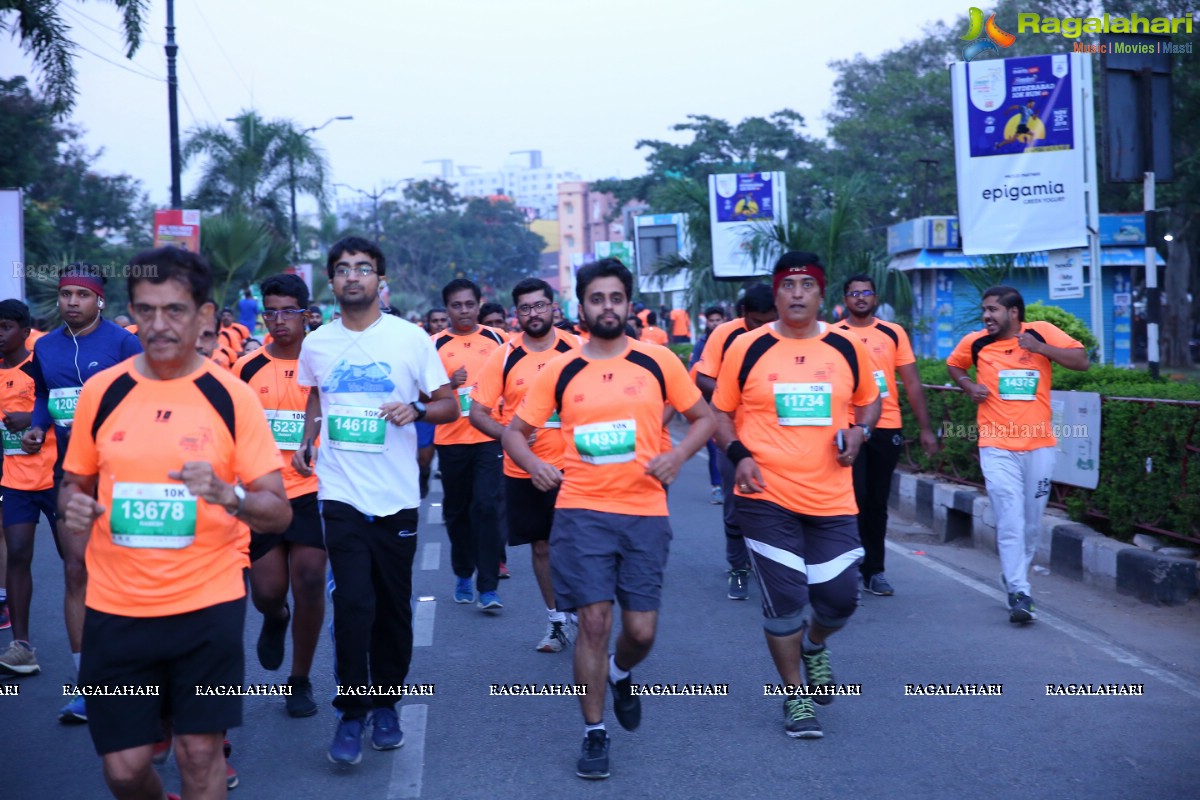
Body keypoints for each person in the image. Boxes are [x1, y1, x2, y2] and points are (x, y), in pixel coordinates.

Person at [59, 245, 292, 800]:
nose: (158, 325)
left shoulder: (231, 397)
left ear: (205, 316)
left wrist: (228, 495)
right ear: (131, 313)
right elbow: (75, 482)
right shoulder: (103, 391)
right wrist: (75, 505)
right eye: (145, 310)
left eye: (175, 310)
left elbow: (278, 510)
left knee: (200, 752)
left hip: (206, 606)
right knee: (123, 769)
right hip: (116, 608)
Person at [502, 258, 714, 780]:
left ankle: (621, 673)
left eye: (616, 298)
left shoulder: (658, 361)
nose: (607, 308)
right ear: (581, 307)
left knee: (640, 632)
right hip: (580, 513)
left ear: (628, 303)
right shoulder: (562, 367)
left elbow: (705, 417)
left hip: (644, 512)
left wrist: (679, 455)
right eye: (597, 299)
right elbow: (513, 432)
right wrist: (534, 465)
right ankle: (594, 732)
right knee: (593, 624)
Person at [293, 236, 457, 765]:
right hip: (340, 493)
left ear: (379, 280)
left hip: (397, 498)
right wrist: (306, 436)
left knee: (391, 610)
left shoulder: (411, 339)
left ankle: (386, 703)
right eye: (342, 270)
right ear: (332, 281)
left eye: (363, 269)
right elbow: (316, 394)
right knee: (354, 604)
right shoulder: (317, 343)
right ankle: (352, 710)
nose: (353, 277)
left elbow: (449, 405)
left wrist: (416, 410)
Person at [713, 252, 880, 739]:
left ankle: (815, 645)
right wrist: (738, 452)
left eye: (808, 284)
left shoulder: (848, 348)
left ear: (821, 294)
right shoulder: (746, 348)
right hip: (765, 495)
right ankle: (795, 697)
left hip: (831, 497)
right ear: (777, 292)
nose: (798, 293)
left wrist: (860, 432)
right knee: (784, 600)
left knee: (840, 600)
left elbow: (869, 403)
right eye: (789, 285)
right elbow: (721, 412)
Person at [18, 264, 142, 721]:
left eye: (81, 295)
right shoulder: (45, 346)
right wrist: (36, 427)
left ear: (99, 301)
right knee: (77, 572)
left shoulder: (123, 343)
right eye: (66, 294)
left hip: (124, 477)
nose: (72, 301)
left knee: (126, 576)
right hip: (71, 476)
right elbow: (43, 396)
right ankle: (88, 685)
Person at [946, 285, 1088, 623]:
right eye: (984, 310)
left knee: (1030, 524)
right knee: (1009, 517)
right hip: (996, 446)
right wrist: (969, 387)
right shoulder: (976, 342)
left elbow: (1081, 362)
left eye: (993, 310)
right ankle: (1020, 591)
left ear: (1013, 312)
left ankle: (1013, 576)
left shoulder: (1041, 332)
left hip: (1039, 446)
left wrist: (1040, 348)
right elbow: (954, 365)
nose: (986, 316)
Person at [469, 278, 580, 652]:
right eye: (526, 308)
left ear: (554, 308)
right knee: (543, 547)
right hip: (525, 469)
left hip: (577, 466)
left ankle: (584, 609)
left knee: (580, 543)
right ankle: (557, 621)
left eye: (540, 305)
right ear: (517, 314)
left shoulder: (576, 348)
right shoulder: (504, 355)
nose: (534, 313)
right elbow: (478, 413)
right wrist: (509, 435)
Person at [233, 274, 327, 717]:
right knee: (269, 592)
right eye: (270, 311)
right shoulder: (246, 367)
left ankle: (300, 679)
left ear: (307, 314)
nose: (278, 320)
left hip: (315, 488)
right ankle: (276, 619)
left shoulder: (325, 362)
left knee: (309, 579)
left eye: (288, 311)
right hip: (264, 491)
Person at [836, 275, 939, 596]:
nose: (861, 298)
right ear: (845, 300)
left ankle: (874, 571)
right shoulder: (832, 335)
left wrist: (925, 428)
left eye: (866, 293)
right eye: (854, 294)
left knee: (877, 502)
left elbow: (911, 383)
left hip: (886, 426)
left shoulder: (892, 333)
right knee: (852, 499)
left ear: (876, 298)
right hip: (848, 427)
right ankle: (845, 566)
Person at [692, 284, 777, 600]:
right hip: (730, 432)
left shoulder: (786, 335)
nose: (763, 328)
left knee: (775, 504)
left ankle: (772, 564)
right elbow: (702, 377)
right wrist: (734, 392)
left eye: (770, 320)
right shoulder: (726, 335)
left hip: (774, 434)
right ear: (743, 316)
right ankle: (738, 568)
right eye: (756, 321)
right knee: (736, 503)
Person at [431, 279, 506, 609]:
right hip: (451, 440)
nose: (463, 311)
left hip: (489, 436)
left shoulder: (498, 340)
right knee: (457, 511)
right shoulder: (433, 345)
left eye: (469, 304)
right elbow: (420, 396)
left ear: (479, 304)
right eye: (456, 305)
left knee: (487, 508)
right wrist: (449, 383)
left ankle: (488, 587)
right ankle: (463, 571)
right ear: (447, 308)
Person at [0, 299, 59, 678]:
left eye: (5, 327)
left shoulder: (42, 367)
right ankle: (22, 647)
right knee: (18, 554)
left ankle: (96, 648)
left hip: (56, 477)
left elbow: (72, 405)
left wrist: (36, 419)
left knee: (77, 562)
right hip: (15, 479)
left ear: (25, 331)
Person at [689, 306, 729, 505]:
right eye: (711, 320)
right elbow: (695, 373)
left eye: (718, 320)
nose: (715, 323)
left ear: (724, 319)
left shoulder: (734, 340)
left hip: (731, 404)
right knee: (713, 448)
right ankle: (717, 487)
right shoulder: (701, 344)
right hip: (708, 403)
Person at [415, 307, 450, 497]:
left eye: (442, 320)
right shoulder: (422, 346)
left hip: (451, 412)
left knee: (449, 464)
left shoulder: (455, 344)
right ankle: (424, 474)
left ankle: (449, 505)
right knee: (424, 458)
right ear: (428, 323)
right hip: (427, 410)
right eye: (435, 320)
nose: (439, 324)